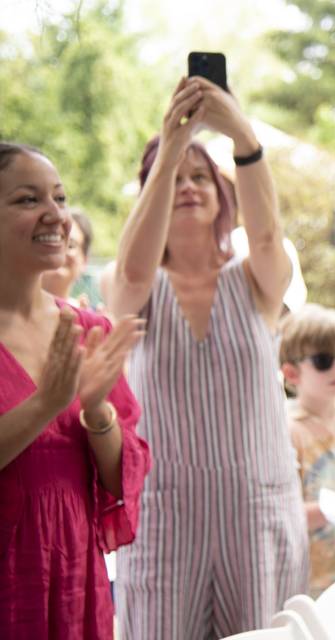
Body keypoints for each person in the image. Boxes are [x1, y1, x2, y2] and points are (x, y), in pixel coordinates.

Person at [103, 77, 308, 638]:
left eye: (201, 177)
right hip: (166, 522)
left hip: (256, 515)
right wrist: (171, 147)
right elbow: (130, 272)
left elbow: (267, 238)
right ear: (150, 196)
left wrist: (240, 132)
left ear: (224, 195)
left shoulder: (258, 281)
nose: (189, 186)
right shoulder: (131, 290)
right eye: (173, 180)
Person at [0, 142, 151, 638]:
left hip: (73, 575)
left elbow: (116, 480)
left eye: (60, 199)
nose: (55, 215)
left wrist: (95, 412)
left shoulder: (87, 328)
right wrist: (46, 404)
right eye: (28, 200)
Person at [279, 303, 335, 597]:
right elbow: (278, 514)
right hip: (305, 585)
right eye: (322, 361)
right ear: (291, 373)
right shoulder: (286, 431)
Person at [40, 208, 94, 305]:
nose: (59, 251)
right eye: (52, 240)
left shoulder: (86, 317)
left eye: (71, 245)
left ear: (84, 260)